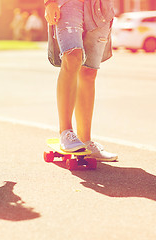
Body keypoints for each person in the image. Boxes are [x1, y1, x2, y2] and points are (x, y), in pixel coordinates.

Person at [44, 0, 118, 161]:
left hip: (101, 7)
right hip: (68, 3)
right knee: (72, 57)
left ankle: (86, 139)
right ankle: (66, 132)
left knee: (89, 71)